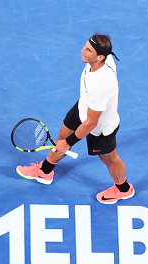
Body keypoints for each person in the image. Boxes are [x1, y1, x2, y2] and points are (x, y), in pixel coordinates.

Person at [16, 33, 134, 205]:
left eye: (88, 50)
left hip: (100, 127)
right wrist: (65, 141)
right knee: (60, 138)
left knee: (109, 158)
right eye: (85, 46)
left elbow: (92, 122)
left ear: (100, 57)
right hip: (83, 108)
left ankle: (123, 189)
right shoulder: (103, 59)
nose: (82, 51)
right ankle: (45, 171)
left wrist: (69, 143)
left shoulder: (101, 84)